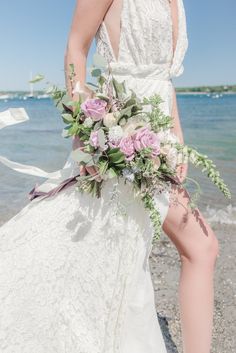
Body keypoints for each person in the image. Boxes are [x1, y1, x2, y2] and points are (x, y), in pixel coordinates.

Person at [0, 1, 219, 352]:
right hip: (120, 133)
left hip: (158, 140)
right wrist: (85, 130)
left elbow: (162, 78)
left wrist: (179, 138)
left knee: (190, 249)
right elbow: (76, 45)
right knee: (126, 249)